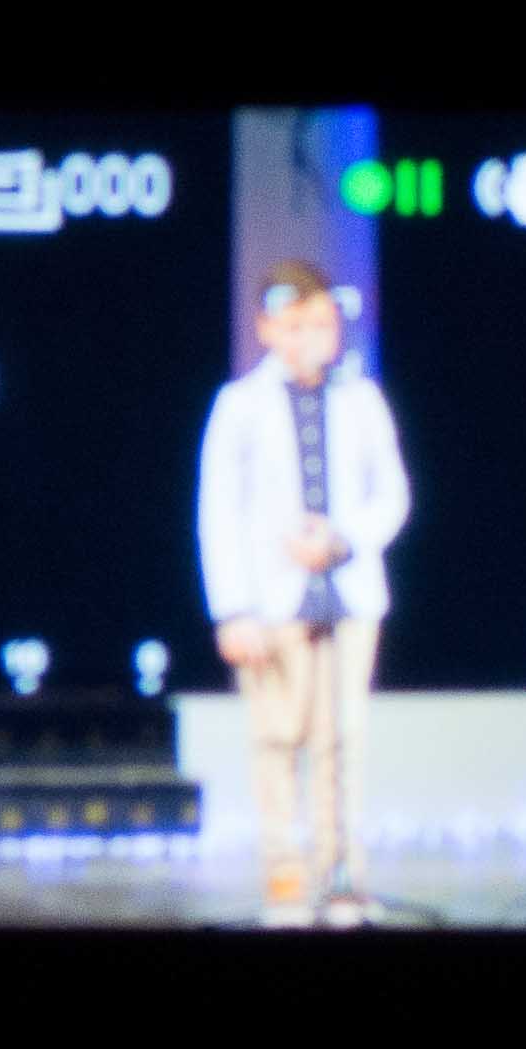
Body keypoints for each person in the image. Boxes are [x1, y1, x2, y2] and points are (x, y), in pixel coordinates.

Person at [193, 256, 411, 924]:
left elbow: (393, 495)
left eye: (319, 325)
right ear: (266, 329)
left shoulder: (362, 399)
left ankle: (342, 880)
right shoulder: (239, 405)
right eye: (292, 326)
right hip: (271, 602)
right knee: (276, 738)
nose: (306, 339)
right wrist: (234, 609)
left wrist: (342, 538)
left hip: (349, 597)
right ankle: (285, 882)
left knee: (343, 741)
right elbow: (219, 510)